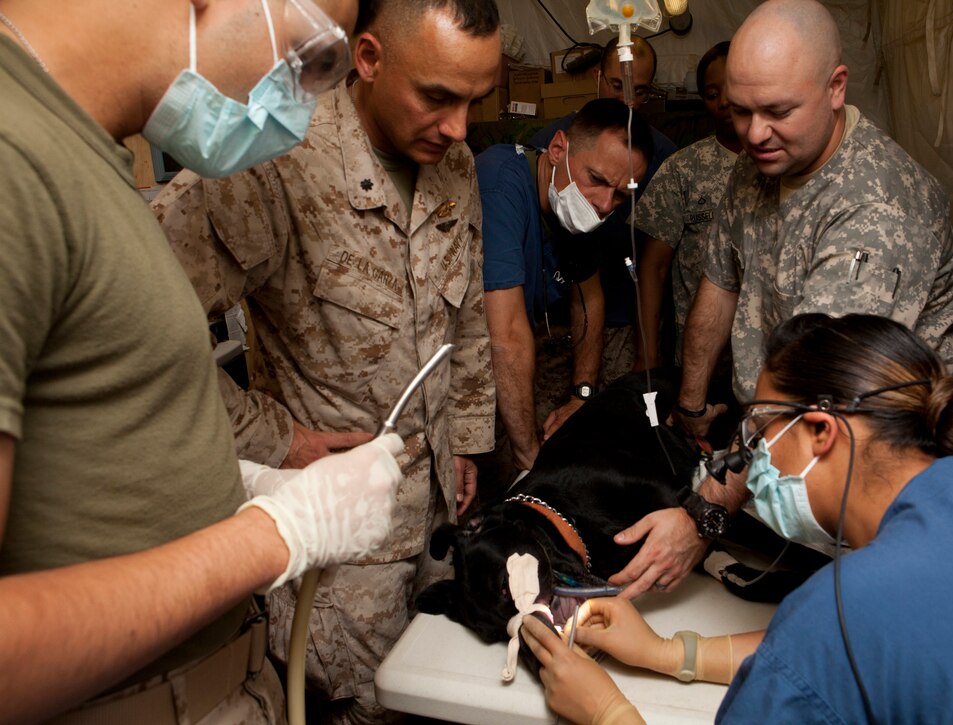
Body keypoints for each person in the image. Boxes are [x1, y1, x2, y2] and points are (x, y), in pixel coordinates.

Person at [0, 0, 413, 723]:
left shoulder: (77, 153)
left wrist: (234, 483)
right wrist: (280, 533)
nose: (300, 102)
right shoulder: (14, 160)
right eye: (310, 55)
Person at [153, 0, 500, 720]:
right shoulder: (271, 161)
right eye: (437, 97)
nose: (459, 127)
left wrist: (465, 439)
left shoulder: (453, 163)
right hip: (342, 569)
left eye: (475, 101)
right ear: (368, 59)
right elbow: (139, 334)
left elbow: (462, 318)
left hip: (437, 526)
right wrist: (276, 439)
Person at [522, 313, 953, 724]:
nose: (748, 460)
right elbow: (846, 652)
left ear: (822, 430)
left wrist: (606, 712)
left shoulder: (847, 604)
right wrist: (669, 653)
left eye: (760, 434)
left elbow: (834, 641)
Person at [597, 0, 953, 600]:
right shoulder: (758, 167)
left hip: (882, 479)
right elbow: (718, 283)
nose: (753, 133)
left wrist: (704, 515)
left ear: (835, 88)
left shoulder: (876, 205)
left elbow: (817, 394)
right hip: (782, 452)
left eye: (777, 111)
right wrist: (694, 405)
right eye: (741, 110)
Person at [475, 98, 652, 479]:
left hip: (527, 340)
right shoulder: (499, 184)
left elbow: (589, 298)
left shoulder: (579, 210)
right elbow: (504, 335)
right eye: (598, 180)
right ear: (558, 150)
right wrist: (528, 461)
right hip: (475, 351)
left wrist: (581, 394)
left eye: (621, 195)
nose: (604, 205)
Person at [528, 35, 678, 439]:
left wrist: (647, 352)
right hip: (555, 319)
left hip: (619, 317)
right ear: (597, 78)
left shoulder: (661, 157)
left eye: (640, 90)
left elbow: (655, 259)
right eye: (617, 85)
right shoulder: (554, 144)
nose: (628, 100)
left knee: (610, 432)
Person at [632, 40, 742, 374]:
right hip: (702, 363)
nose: (723, 102)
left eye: (732, 89)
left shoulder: (784, 163)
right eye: (711, 94)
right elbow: (652, 269)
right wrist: (648, 354)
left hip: (773, 360)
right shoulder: (682, 169)